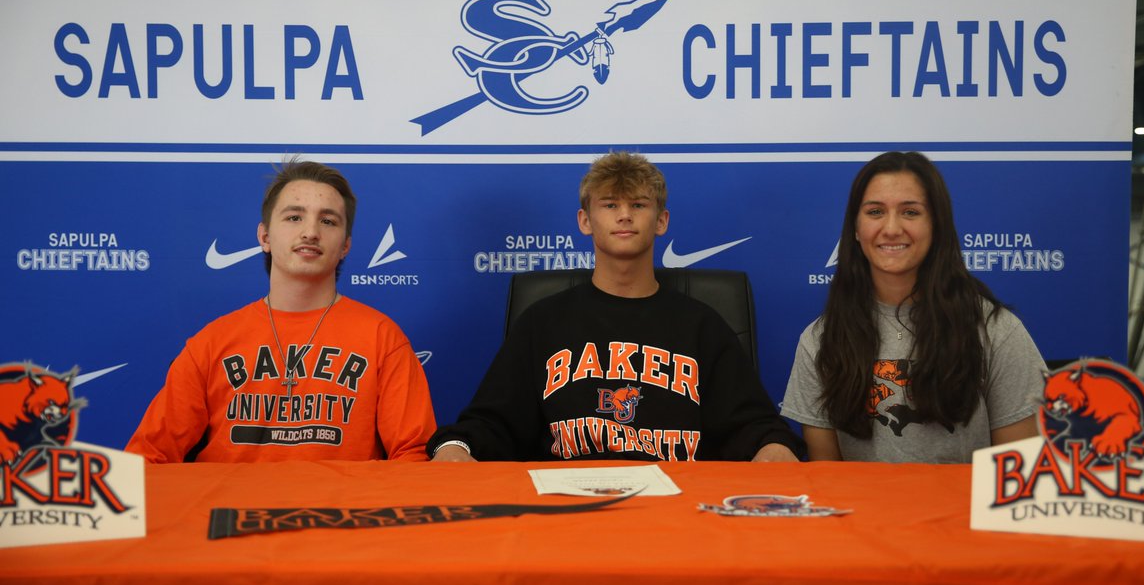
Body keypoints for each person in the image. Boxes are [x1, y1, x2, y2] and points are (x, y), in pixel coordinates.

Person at [429, 151, 803, 462]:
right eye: (610, 205)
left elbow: (753, 425)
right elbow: (491, 423)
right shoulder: (542, 322)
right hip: (564, 510)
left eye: (638, 204)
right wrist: (455, 447)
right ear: (585, 221)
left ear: (661, 221)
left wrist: (774, 447)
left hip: (680, 511)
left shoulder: (701, 325)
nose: (624, 215)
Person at [126, 158, 436, 463]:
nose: (311, 232)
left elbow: (413, 456)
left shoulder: (382, 338)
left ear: (345, 246)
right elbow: (147, 457)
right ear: (264, 237)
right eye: (294, 218)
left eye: (328, 221)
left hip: (341, 512)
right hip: (230, 511)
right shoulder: (211, 344)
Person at [781, 151, 1043, 463]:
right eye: (875, 212)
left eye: (910, 212)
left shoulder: (996, 330)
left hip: (966, 512)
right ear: (855, 229)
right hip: (864, 512)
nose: (891, 228)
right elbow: (826, 481)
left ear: (936, 225)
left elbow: (1017, 472)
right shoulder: (820, 339)